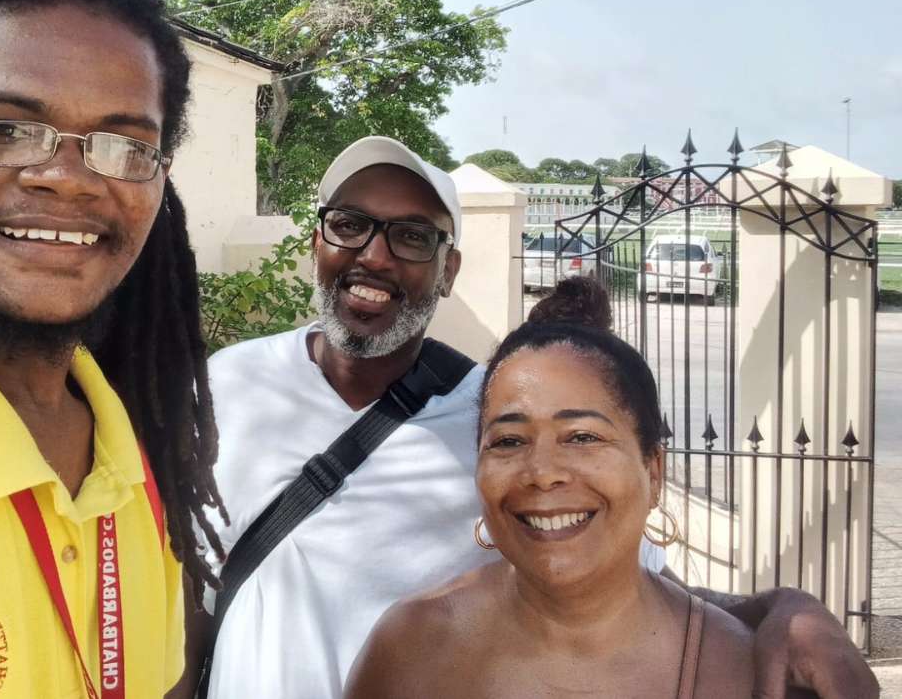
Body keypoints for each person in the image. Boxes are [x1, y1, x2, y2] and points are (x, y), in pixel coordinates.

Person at [199, 136, 877, 699]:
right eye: (350, 224)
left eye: (410, 237)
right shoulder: (224, 383)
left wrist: (778, 609)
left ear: (449, 269)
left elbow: (637, 585)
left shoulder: (499, 430)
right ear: (318, 239)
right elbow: (183, 583)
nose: (373, 255)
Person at [0, 0, 226, 698]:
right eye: (5, 130)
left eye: (125, 145)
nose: (66, 177)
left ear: (158, 178)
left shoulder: (134, 464)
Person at [345, 277, 757, 698]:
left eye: (582, 437)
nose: (541, 473)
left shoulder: (747, 670)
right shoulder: (412, 651)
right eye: (508, 441)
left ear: (653, 471)